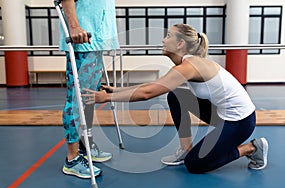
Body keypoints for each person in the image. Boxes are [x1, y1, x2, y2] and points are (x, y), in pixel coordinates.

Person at [83, 23, 269, 173]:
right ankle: (186, 149)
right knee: (176, 95)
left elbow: (148, 93)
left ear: (180, 44)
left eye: (169, 36)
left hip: (240, 122)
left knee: (195, 165)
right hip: (221, 114)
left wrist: (107, 98)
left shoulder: (189, 66)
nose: (164, 40)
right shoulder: (186, 64)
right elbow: (154, 86)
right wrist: (116, 90)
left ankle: (251, 148)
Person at [59, 0, 119, 178]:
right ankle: (72, 159)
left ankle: (85, 146)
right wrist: (74, 27)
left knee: (89, 97)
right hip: (83, 41)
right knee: (76, 99)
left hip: (96, 41)